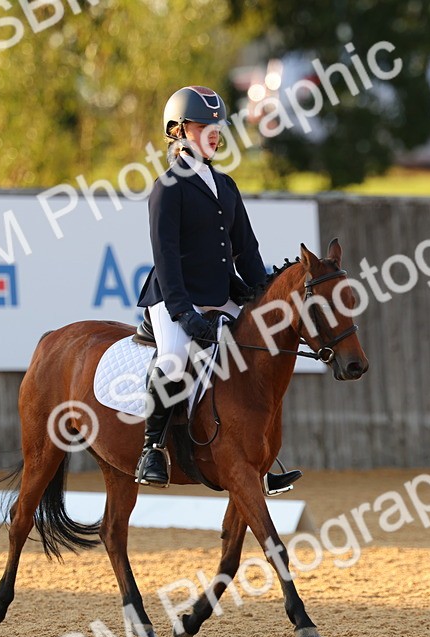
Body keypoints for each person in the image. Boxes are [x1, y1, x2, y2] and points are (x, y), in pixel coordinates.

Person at [133, 85, 300, 495]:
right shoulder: (167, 187)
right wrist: (184, 313)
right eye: (203, 125)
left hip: (221, 293)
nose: (213, 132)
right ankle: (152, 449)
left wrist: (259, 291)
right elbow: (166, 256)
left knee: (250, 361)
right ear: (178, 130)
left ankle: (258, 456)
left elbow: (246, 248)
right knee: (173, 359)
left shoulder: (225, 185)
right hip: (174, 297)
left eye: (217, 126)